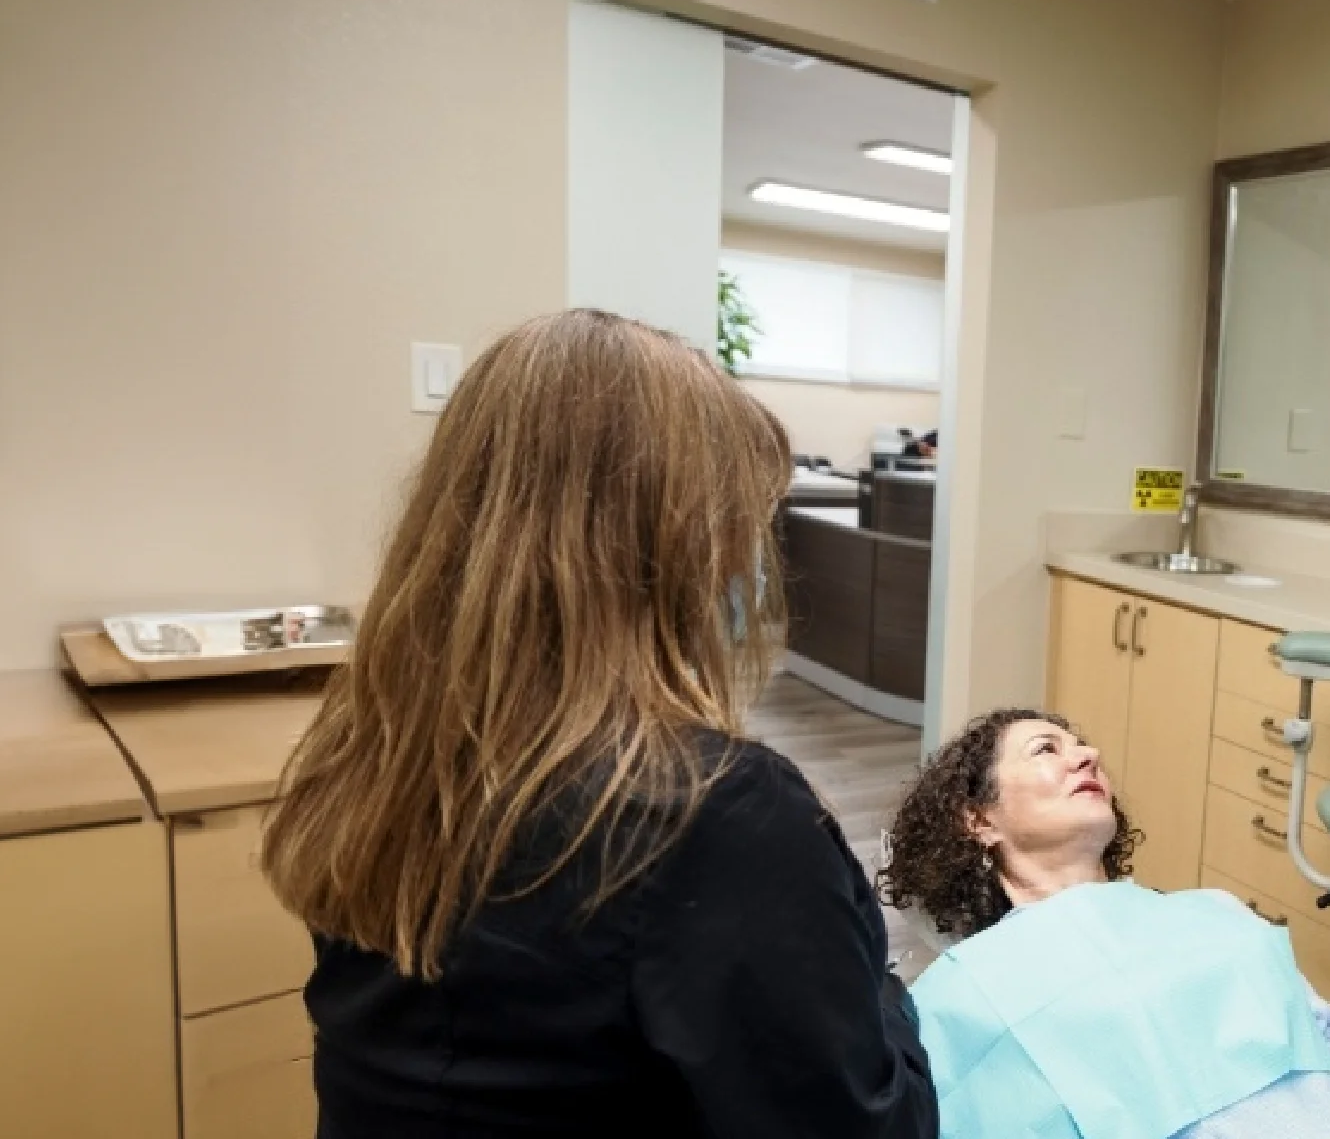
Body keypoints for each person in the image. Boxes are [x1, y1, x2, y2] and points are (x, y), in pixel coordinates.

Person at [260, 309, 936, 1138]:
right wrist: (878, 973)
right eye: (735, 529)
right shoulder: (713, 816)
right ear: (669, 545)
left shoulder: (377, 747)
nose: (743, 564)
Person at [880, 708, 1330, 1139]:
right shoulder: (961, 1000)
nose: (1087, 756)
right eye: (1046, 750)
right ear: (979, 819)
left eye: (1085, 745)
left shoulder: (1216, 922)